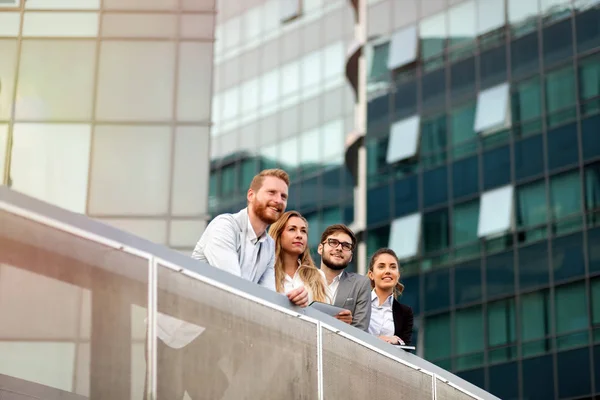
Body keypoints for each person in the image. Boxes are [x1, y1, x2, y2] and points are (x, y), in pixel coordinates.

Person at [192, 168, 308, 307]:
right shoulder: (224, 226)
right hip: (192, 321)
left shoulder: (268, 245)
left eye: (283, 196)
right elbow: (233, 285)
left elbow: (267, 297)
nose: (278, 200)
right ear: (251, 195)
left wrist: (291, 300)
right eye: (271, 192)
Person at [317, 224, 371, 331]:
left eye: (346, 246)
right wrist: (332, 321)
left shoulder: (360, 284)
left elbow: (360, 330)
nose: (339, 248)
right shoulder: (303, 279)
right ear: (320, 248)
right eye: (333, 242)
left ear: (351, 257)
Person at [268, 210, 330, 304]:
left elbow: (326, 314)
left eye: (303, 231)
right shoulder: (266, 273)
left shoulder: (318, 276)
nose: (299, 235)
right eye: (292, 229)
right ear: (278, 235)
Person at [367, 248, 414, 346]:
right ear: (371, 275)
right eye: (381, 267)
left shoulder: (405, 312)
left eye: (392, 267)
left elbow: (407, 345)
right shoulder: (357, 303)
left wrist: (396, 341)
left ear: (398, 275)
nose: (388, 271)